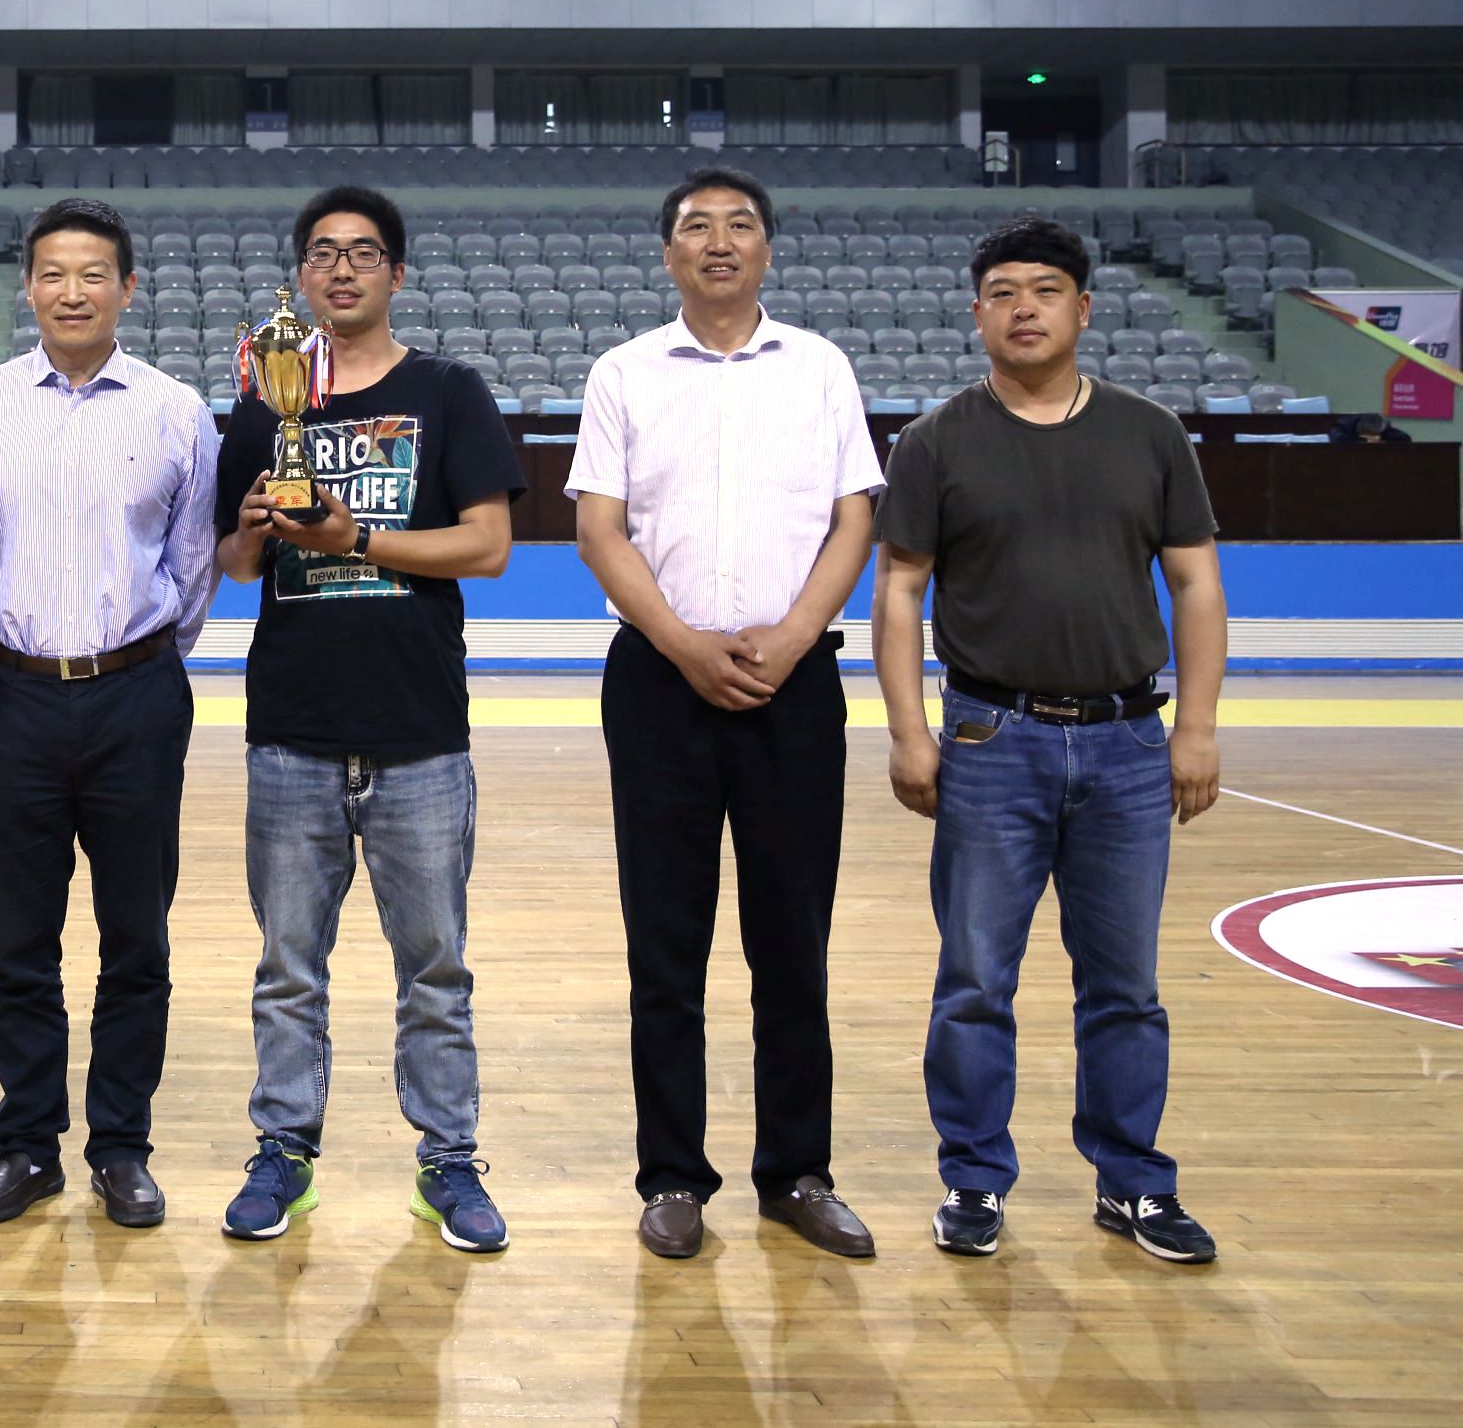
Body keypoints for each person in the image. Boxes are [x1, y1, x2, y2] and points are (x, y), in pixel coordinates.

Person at [873, 216, 1226, 1265]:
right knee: (975, 979)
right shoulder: (936, 441)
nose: (1023, 308)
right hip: (991, 738)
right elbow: (898, 591)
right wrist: (908, 731)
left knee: (1125, 984)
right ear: (976, 312)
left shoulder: (1149, 433)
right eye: (1003, 292)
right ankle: (974, 1179)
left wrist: (1197, 727)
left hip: (1128, 742)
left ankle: (1133, 1182)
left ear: (1083, 307)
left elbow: (1196, 582)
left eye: (1045, 289)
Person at [568, 166, 884, 1262]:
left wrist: (793, 636)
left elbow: (854, 518)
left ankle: (797, 1171)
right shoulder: (623, 372)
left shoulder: (821, 367)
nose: (718, 240)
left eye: (739, 224)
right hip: (660, 683)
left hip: (795, 685)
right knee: (666, 944)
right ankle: (671, 1177)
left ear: (766, 249)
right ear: (669, 254)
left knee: (792, 941)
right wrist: (682, 642)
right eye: (696, 226)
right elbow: (600, 528)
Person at [212, 186, 526, 1253]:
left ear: (395, 273)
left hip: (418, 731)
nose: (340, 269)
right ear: (300, 277)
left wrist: (355, 540)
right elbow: (233, 564)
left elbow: (487, 545)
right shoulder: (263, 402)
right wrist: (256, 529)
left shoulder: (448, 390)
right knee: (287, 966)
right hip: (290, 729)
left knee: (434, 966)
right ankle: (282, 1150)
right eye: (322, 253)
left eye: (361, 253)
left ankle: (449, 1160)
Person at [0, 196, 218, 1230]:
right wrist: (24, 645)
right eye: (53, 272)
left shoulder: (177, 411)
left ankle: (122, 1147)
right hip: (13, 695)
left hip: (138, 693)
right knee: (21, 942)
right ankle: (26, 1146)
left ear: (128, 289)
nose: (72, 291)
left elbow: (191, 565)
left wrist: (133, 661)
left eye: (94, 273)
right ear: (27, 287)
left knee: (136, 937)